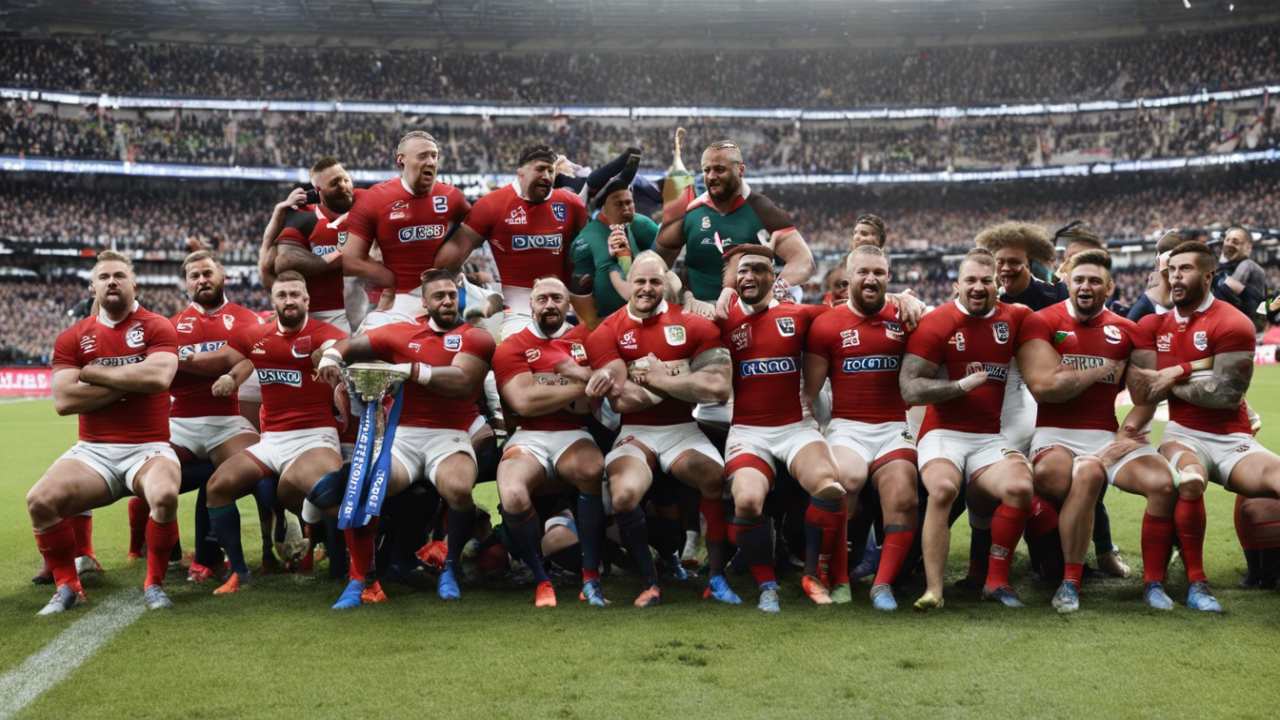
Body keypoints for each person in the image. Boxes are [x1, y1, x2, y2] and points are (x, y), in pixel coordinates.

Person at [317, 269, 495, 607]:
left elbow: (462, 381)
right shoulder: (401, 333)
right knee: (364, 486)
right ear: (425, 303)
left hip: (451, 435)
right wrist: (331, 356)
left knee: (458, 490)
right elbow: (350, 344)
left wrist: (412, 370)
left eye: (451, 294)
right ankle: (360, 578)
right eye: (438, 296)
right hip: (404, 437)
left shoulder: (475, 337)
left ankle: (450, 567)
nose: (447, 300)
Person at [1015, 249, 1181, 612]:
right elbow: (1045, 389)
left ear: (1109, 287)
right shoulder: (1043, 321)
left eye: (1094, 281)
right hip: (1055, 433)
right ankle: (1070, 579)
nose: (1085, 287)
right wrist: (1104, 367)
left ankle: (1154, 583)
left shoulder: (1129, 331)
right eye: (1078, 280)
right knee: (1068, 478)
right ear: (1068, 283)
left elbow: (1148, 395)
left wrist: (1128, 430)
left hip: (1107, 434)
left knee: (1164, 484)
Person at [1128, 241, 1280, 611]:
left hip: (1234, 439)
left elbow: (1226, 394)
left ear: (1209, 275)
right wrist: (1185, 372)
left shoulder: (1233, 322)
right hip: (1183, 435)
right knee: (1191, 479)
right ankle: (1197, 584)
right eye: (1171, 270)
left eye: (1185, 269)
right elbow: (1143, 389)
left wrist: (1174, 374)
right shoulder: (1153, 325)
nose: (1176, 277)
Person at [29, 250, 181, 614]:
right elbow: (64, 400)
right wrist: (131, 382)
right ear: (92, 287)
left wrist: (96, 374)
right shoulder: (73, 337)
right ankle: (67, 586)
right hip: (94, 450)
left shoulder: (157, 326)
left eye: (119, 276)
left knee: (164, 495)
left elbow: (159, 377)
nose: (112, 282)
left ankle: (154, 584)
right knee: (39, 501)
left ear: (134, 284)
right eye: (104, 277)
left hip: (149, 448)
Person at [582, 251, 737, 607]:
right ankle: (650, 582)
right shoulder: (606, 331)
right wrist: (681, 375)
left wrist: (652, 376)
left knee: (714, 478)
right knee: (624, 495)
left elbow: (717, 387)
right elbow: (623, 400)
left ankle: (716, 578)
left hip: (682, 428)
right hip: (636, 432)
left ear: (666, 282)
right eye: (640, 281)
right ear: (629, 285)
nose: (647, 288)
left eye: (655, 281)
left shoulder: (696, 325)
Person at [899, 247, 1035, 610]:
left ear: (998, 285)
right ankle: (934, 590)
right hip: (943, 433)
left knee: (1021, 488)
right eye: (970, 280)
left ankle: (996, 581)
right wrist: (959, 386)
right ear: (956, 285)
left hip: (989, 437)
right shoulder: (938, 322)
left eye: (986, 281)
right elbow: (910, 388)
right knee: (943, 489)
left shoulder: (1017, 318)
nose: (978, 287)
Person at [199, 271, 347, 600]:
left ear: (307, 300)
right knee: (217, 487)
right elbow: (240, 359)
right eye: (282, 295)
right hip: (272, 440)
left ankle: (356, 567)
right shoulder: (257, 335)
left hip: (314, 437)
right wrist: (230, 377)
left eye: (295, 294)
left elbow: (337, 347)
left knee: (328, 494)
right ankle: (239, 572)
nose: (289, 300)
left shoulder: (323, 333)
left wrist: (330, 357)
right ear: (273, 300)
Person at [716, 244, 844, 612]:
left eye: (759, 269)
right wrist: (696, 298)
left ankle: (813, 573)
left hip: (795, 427)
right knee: (747, 501)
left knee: (829, 487)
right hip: (748, 431)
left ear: (774, 277)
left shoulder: (799, 315)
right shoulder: (722, 320)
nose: (749, 276)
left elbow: (850, 315)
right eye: (743, 270)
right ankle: (766, 583)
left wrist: (901, 298)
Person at [802, 246, 918, 610]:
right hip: (847, 427)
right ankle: (838, 576)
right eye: (864, 272)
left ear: (889, 277)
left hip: (893, 427)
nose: (871, 279)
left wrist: (910, 301)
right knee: (844, 481)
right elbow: (810, 391)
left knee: (903, 496)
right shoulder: (827, 324)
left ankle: (882, 585)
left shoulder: (906, 317)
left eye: (879, 273)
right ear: (849, 278)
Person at [490, 277, 606, 608]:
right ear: (531, 305)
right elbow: (524, 402)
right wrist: (582, 381)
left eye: (557, 298)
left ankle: (590, 577)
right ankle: (541, 578)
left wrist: (548, 383)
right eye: (542, 299)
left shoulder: (587, 339)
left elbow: (593, 401)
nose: (550, 305)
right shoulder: (512, 345)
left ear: (568, 304)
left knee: (592, 469)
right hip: (529, 435)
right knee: (512, 493)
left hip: (574, 433)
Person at [158, 251, 269, 583]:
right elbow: (166, 373)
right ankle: (169, 556)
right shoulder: (170, 326)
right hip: (181, 423)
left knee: (264, 470)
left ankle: (271, 551)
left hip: (227, 421)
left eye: (207, 273)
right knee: (147, 468)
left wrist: (189, 361)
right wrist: (219, 363)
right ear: (186, 284)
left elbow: (245, 358)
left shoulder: (246, 318)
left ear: (222, 275)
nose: (202, 280)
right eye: (194, 276)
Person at [436, 145, 591, 338]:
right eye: (540, 169)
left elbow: (585, 258)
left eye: (551, 171)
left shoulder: (571, 204)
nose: (546, 176)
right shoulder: (492, 205)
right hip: (516, 310)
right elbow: (450, 258)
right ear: (520, 172)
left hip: (562, 307)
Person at [654, 140, 815, 317]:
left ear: (740, 170)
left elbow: (804, 261)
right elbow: (657, 266)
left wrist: (775, 291)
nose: (711, 176)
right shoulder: (689, 212)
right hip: (697, 315)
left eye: (719, 169)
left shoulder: (762, 210)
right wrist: (682, 296)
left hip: (747, 317)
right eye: (707, 170)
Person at [341, 131, 470, 329]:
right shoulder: (375, 199)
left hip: (441, 300)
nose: (431, 162)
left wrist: (457, 255)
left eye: (434, 156)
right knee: (369, 343)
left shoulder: (452, 197)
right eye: (423, 156)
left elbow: (477, 230)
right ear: (401, 160)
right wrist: (387, 277)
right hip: (395, 301)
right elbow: (350, 259)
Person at [263, 157, 363, 334]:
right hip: (317, 314)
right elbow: (285, 261)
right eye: (334, 183)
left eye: (346, 179)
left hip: (365, 312)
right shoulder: (303, 216)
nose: (343, 186)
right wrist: (339, 256)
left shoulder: (367, 207)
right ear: (318, 191)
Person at [569, 180, 658, 321]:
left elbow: (664, 262)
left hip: (644, 315)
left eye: (629, 202)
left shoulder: (642, 225)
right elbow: (579, 293)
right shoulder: (586, 240)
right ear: (603, 207)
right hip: (607, 320)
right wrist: (593, 327)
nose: (626, 208)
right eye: (619, 204)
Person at [1212, 225, 1267, 328]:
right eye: (1227, 240)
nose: (1229, 244)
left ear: (1248, 247)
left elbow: (1226, 289)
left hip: (1246, 325)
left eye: (1235, 242)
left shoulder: (1248, 266)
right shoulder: (1227, 267)